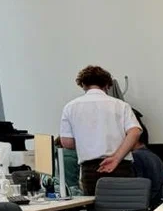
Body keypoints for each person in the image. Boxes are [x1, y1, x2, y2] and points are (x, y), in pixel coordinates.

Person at [59, 65, 142, 195]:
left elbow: (67, 143)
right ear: (107, 85)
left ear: (83, 85)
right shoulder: (121, 105)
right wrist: (116, 158)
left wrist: (87, 142)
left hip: (91, 169)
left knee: (96, 205)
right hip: (121, 165)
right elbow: (135, 132)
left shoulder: (70, 107)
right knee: (124, 203)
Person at [130, 130, 163, 207]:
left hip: (147, 203)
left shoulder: (136, 156)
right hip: (159, 202)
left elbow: (139, 186)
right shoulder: (154, 156)